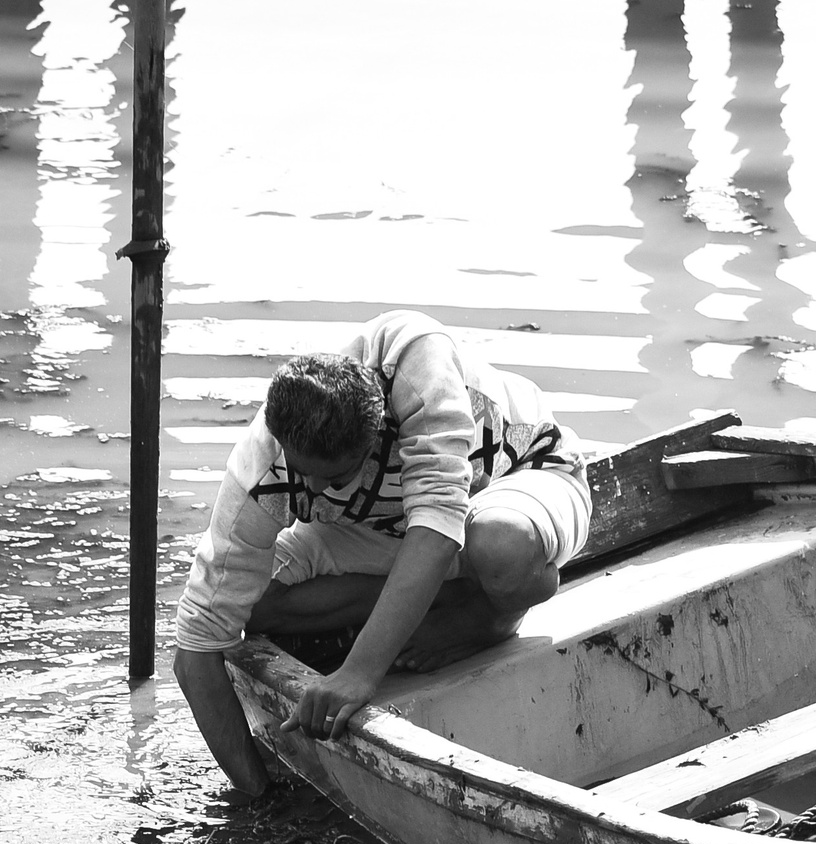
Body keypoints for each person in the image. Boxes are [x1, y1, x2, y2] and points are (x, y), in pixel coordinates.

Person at [170, 309, 590, 797]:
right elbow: (196, 646)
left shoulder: (418, 363)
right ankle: (442, 592)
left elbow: (435, 527)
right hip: (381, 528)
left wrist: (358, 673)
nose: (313, 487)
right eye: (304, 472)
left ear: (375, 440)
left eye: (337, 475)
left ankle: (490, 617)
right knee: (255, 602)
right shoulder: (262, 463)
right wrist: (259, 799)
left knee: (502, 548)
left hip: (516, 479)